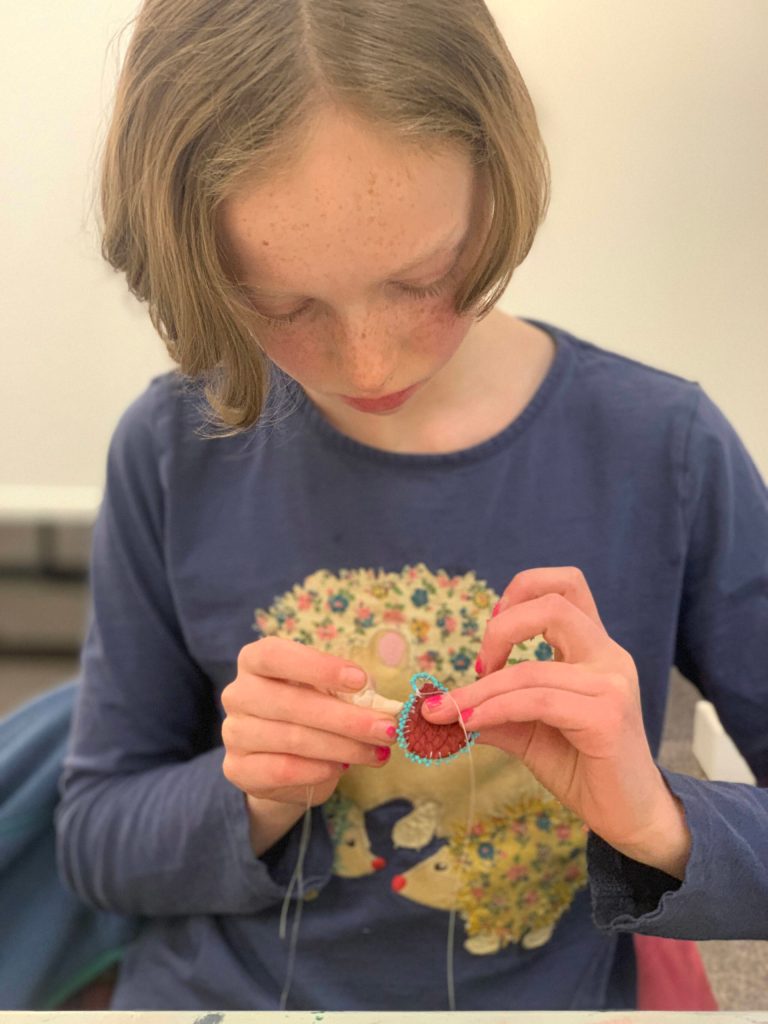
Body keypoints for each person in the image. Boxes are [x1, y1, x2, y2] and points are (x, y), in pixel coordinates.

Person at [55, 0, 768, 1011]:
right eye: (284, 305)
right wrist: (248, 791)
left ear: (500, 179)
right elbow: (93, 843)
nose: (371, 362)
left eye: (424, 278)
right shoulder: (173, 447)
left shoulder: (664, 449)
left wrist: (657, 819)